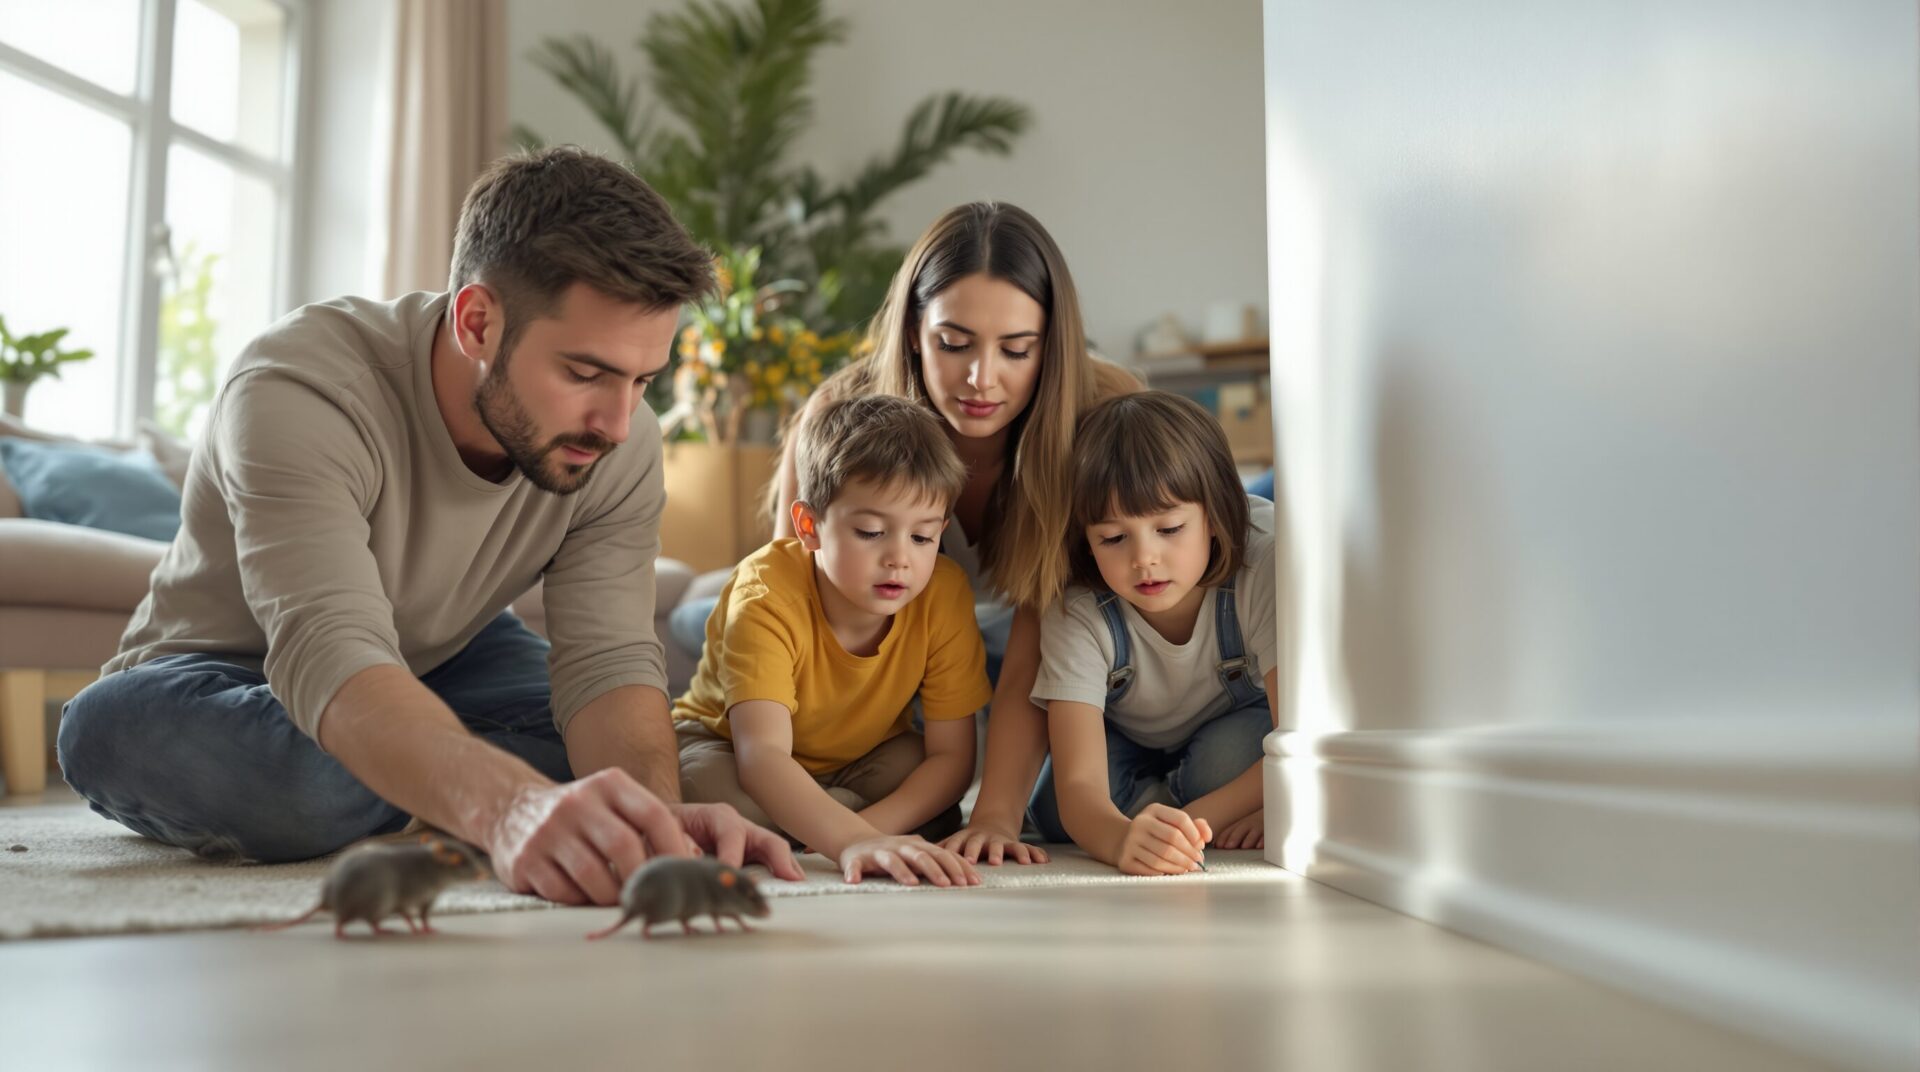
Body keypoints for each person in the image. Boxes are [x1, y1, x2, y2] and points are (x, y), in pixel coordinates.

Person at [56, 147, 802, 905]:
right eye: (584, 373)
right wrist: (508, 804)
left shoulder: (621, 436)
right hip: (217, 672)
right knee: (275, 781)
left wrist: (657, 822)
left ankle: (418, 768)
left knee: (638, 760)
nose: (616, 421)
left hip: (443, 660)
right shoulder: (299, 387)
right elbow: (331, 648)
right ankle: (443, 777)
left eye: (642, 380)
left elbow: (608, 661)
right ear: (478, 322)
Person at [671, 201, 1139, 866]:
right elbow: (792, 586)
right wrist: (848, 832)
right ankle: (700, 616)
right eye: (954, 343)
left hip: (996, 629)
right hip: (839, 631)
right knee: (719, 614)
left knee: (1001, 668)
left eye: (1016, 349)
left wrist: (997, 817)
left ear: (1052, 345)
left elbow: (1044, 648)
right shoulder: (840, 416)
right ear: (915, 331)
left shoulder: (1096, 415)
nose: (982, 378)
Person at [674, 394, 990, 887]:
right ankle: (818, 821)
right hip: (730, 749)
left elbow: (953, 757)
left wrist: (868, 834)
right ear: (809, 526)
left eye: (922, 538)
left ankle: (809, 823)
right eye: (870, 532)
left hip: (859, 760)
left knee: (925, 775)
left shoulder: (943, 593)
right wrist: (851, 840)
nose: (899, 559)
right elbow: (762, 759)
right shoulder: (766, 593)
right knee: (709, 795)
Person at [1027, 391, 1278, 874]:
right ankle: (1157, 801)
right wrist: (1123, 841)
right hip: (1124, 733)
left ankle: (1172, 802)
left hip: (1229, 726)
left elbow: (1295, 734)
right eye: (1113, 538)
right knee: (1054, 811)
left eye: (1169, 528)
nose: (1144, 558)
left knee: (1227, 765)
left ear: (1216, 513)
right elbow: (1080, 790)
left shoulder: (1264, 559)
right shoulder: (1075, 602)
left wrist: (1184, 828)